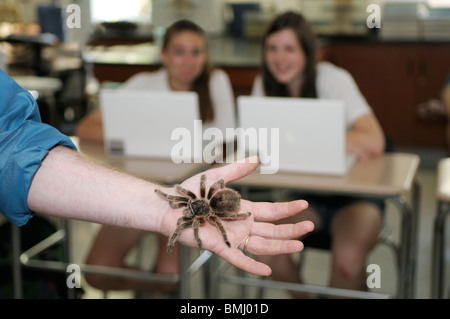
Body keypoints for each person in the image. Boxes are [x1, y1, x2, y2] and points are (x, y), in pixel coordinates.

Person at [0, 67, 314, 279]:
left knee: (171, 262)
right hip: (171, 185)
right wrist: (165, 202)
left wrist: (167, 204)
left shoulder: (214, 85)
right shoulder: (192, 203)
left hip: (209, 197)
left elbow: (12, 143)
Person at [77, 20, 237, 294]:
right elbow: (86, 128)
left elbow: (227, 145)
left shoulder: (216, 82)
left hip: (187, 197)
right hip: (140, 188)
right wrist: (133, 139)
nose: (189, 60)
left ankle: (161, 287)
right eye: (179, 51)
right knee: (97, 270)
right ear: (163, 55)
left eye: (196, 52)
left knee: (170, 274)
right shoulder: (142, 84)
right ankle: (153, 289)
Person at [251, 11, 386, 297]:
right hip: (306, 196)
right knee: (263, 249)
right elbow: (259, 144)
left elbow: (374, 140)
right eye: (272, 48)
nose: (279, 57)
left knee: (348, 263)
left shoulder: (334, 79)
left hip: (356, 197)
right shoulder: (264, 86)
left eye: (289, 48)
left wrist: (308, 139)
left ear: (308, 52)